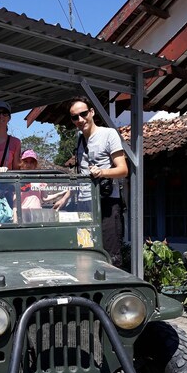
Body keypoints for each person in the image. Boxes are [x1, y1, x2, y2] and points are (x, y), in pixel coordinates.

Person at [56, 95, 128, 267]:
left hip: (107, 203)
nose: (80, 119)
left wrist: (102, 172)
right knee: (86, 251)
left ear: (92, 112)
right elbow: (81, 175)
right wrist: (66, 196)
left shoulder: (108, 134)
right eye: (75, 117)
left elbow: (123, 169)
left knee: (111, 257)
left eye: (83, 114)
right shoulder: (79, 140)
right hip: (84, 206)